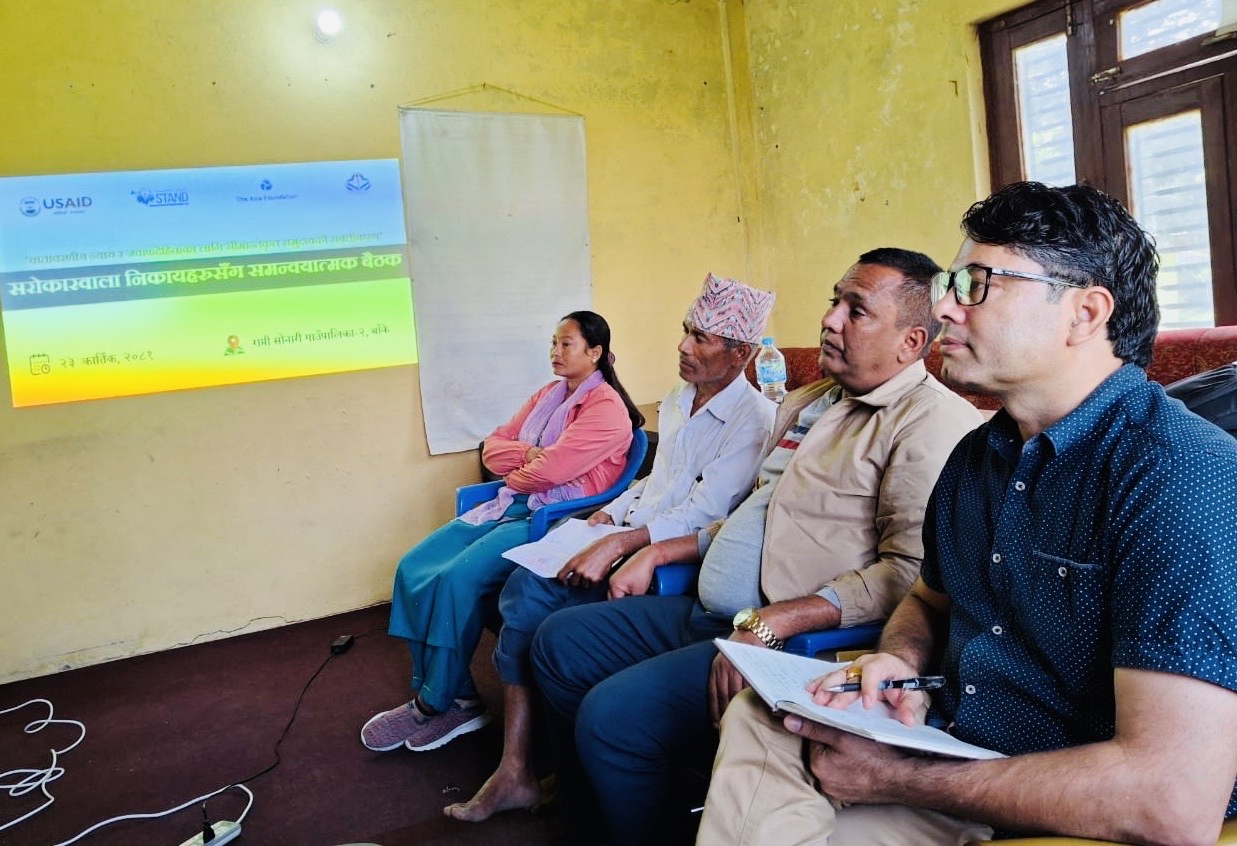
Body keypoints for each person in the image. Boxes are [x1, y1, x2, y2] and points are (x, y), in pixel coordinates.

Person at [700, 182, 1237, 845]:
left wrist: (892, 778)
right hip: (959, 757)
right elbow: (929, 598)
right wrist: (896, 659)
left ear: (1084, 313)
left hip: (1073, 807)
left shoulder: (1175, 474)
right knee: (767, 716)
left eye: (976, 284)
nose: (945, 306)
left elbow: (1171, 803)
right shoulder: (979, 455)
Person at [529, 249, 984, 844]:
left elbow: (911, 573)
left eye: (857, 311)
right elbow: (753, 514)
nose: (830, 320)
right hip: (717, 611)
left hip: (794, 640)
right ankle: (608, 799)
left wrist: (774, 622)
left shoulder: (928, 423)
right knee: (558, 642)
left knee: (612, 719)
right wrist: (661, 551)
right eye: (834, 301)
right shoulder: (809, 401)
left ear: (910, 341)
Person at [442, 272, 778, 822]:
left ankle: (528, 766)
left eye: (700, 338)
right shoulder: (678, 399)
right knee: (523, 583)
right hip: (631, 533)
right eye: (685, 331)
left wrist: (623, 539)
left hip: (675, 561)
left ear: (740, 354)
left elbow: (708, 512)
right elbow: (656, 481)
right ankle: (532, 764)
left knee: (536, 605)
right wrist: (610, 512)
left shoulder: (754, 420)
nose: (682, 346)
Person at [360, 310, 643, 754]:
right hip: (510, 503)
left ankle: (436, 703)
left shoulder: (607, 409)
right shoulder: (549, 394)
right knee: (413, 567)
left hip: (552, 519)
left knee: (456, 579)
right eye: (553, 342)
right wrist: (530, 454)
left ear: (595, 352)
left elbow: (552, 473)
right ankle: (459, 693)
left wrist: (526, 466)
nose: (555, 351)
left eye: (566, 343)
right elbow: (492, 448)